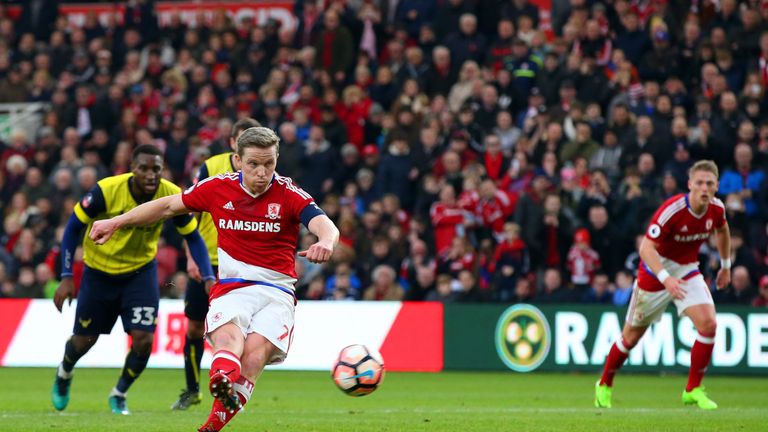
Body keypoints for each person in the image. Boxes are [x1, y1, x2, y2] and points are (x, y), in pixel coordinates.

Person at [88, 127, 339, 431]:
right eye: (253, 164)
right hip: (234, 285)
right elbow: (168, 206)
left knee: (255, 354)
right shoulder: (217, 188)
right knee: (229, 338)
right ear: (237, 160)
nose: (262, 173)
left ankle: (212, 419)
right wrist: (116, 222)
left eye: (269, 164)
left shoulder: (289, 194)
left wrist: (325, 242)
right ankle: (221, 381)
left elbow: (326, 225)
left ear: (276, 160)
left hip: (277, 290)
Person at [51, 145, 216, 415]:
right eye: (144, 168)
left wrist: (208, 276)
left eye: (156, 169)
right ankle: (65, 372)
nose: (151, 175)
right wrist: (67, 276)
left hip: (140, 273)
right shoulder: (106, 191)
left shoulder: (172, 194)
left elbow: (193, 237)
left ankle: (119, 393)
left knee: (142, 339)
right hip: (99, 273)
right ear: (132, 169)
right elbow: (72, 228)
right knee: (84, 340)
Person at [595, 160, 731, 410]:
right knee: (631, 337)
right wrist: (665, 278)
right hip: (655, 271)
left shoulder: (717, 209)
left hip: (687, 269)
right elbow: (646, 248)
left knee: (709, 323)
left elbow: (722, 231)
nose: (704, 188)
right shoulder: (673, 210)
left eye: (709, 183)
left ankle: (693, 389)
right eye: (699, 183)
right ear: (689, 184)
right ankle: (604, 383)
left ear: (716, 187)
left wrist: (725, 266)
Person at [171, 118, 261, 411]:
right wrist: (190, 255)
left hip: (243, 265)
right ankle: (192, 389)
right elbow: (188, 210)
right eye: (240, 138)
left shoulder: (263, 173)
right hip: (208, 259)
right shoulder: (212, 167)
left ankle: (232, 384)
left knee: (239, 331)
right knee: (195, 328)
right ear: (233, 143)